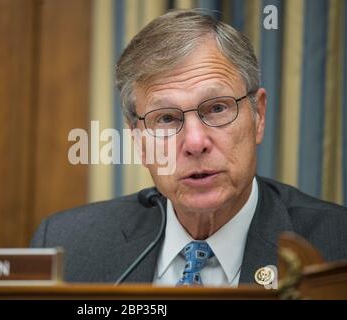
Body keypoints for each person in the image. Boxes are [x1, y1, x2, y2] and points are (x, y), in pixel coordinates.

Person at [31, 9, 347, 286]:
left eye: (218, 109)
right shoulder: (66, 246)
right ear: (139, 140)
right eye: (166, 118)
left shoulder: (336, 244)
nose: (195, 143)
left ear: (259, 115)